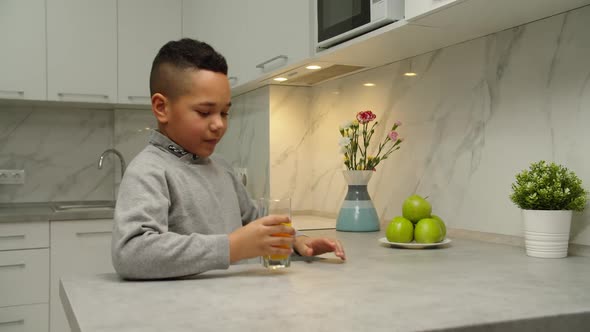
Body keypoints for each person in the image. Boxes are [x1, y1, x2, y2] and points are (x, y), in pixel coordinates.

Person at [111, 38, 346, 280]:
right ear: (161, 108)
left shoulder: (220, 167)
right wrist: (231, 247)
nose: (219, 124)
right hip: (186, 312)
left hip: (236, 306)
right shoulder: (149, 170)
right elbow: (131, 253)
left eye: (224, 112)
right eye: (204, 112)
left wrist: (297, 241)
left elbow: (255, 221)